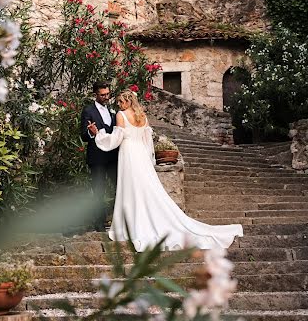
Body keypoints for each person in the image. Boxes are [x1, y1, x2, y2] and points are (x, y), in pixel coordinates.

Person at [90, 89, 243, 252]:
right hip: (141, 154)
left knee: (131, 188)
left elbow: (115, 139)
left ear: (128, 101)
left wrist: (98, 134)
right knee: (144, 189)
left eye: (121, 101)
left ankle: (131, 224)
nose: (119, 105)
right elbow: (147, 140)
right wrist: (149, 160)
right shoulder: (143, 117)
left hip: (128, 153)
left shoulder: (121, 115)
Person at [80, 81, 118, 231]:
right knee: (98, 190)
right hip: (97, 158)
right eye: (103, 95)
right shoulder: (88, 111)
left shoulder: (112, 111)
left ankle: (119, 220)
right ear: (95, 94)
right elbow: (83, 135)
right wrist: (91, 132)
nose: (106, 97)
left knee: (119, 187)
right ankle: (99, 223)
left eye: (108, 94)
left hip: (113, 157)